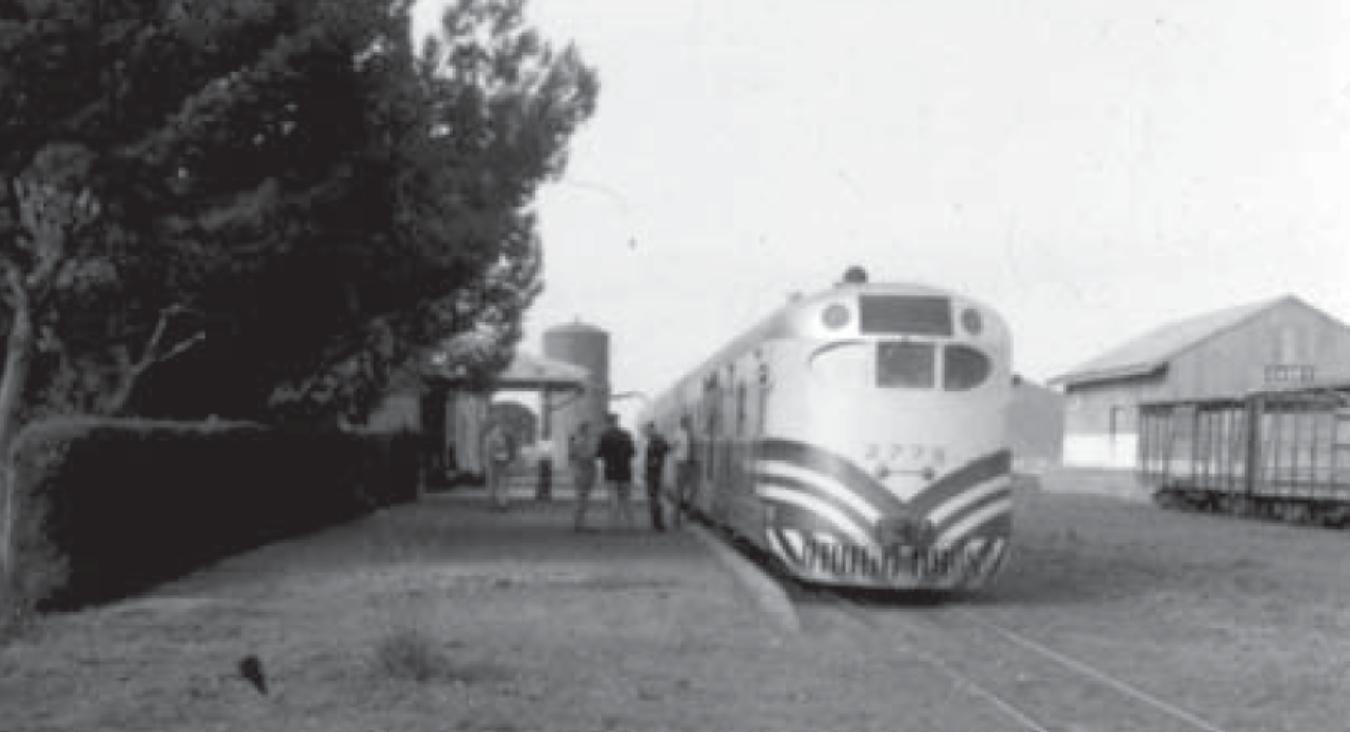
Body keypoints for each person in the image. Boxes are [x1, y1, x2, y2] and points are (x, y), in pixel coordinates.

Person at [595, 412, 636, 529]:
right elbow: (632, 452)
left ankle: (613, 525)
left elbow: (599, 454)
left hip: (611, 472)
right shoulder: (626, 435)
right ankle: (631, 524)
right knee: (627, 499)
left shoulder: (604, 436)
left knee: (613, 499)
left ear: (608, 422)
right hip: (625, 471)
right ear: (617, 421)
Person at [569, 421, 598, 531]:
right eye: (590, 429)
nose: (591, 432)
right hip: (584, 473)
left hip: (581, 472)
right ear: (585, 430)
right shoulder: (582, 442)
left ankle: (579, 523)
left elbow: (573, 457)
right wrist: (593, 455)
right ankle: (579, 524)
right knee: (582, 499)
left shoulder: (577, 441)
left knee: (581, 499)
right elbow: (585, 457)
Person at [641, 422, 670, 531]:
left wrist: (653, 462)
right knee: (654, 497)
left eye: (647, 430)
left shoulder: (656, 440)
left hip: (654, 473)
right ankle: (657, 523)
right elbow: (667, 449)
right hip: (655, 472)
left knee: (654, 498)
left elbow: (659, 453)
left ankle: (658, 524)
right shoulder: (657, 439)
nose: (646, 433)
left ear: (652, 429)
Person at [482, 417, 514, 511]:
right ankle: (501, 504)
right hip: (500, 462)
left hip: (496, 462)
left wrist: (486, 461)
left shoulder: (489, 437)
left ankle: (495, 504)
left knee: (494, 484)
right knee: (501, 484)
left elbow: (487, 451)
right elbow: (488, 450)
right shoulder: (503, 436)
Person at [671, 414, 697, 527]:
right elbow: (672, 446)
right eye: (688, 422)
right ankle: (676, 518)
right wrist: (678, 456)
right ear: (683, 423)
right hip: (681, 464)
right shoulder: (678, 434)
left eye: (690, 422)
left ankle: (689, 515)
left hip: (692, 464)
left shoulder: (692, 434)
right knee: (679, 492)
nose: (689, 424)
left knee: (693, 491)